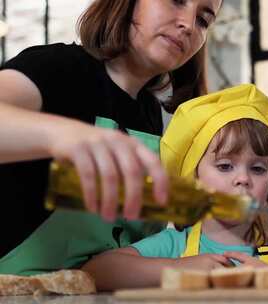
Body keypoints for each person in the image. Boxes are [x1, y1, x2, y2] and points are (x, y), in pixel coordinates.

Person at [0, 0, 222, 274]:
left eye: (203, 19)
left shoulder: (150, 114)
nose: (188, 25)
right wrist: (63, 134)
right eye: (175, 1)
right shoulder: (58, 68)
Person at [81, 84, 268, 290]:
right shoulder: (172, 246)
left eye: (258, 168)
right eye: (225, 166)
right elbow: (95, 272)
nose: (243, 178)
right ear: (194, 176)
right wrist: (178, 268)